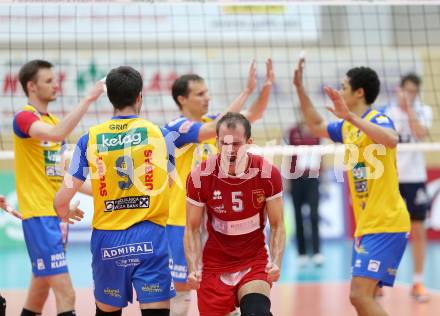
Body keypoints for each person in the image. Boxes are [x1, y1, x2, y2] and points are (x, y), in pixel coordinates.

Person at [54, 66, 176, 316]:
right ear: (140, 96)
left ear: (110, 99)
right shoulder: (162, 136)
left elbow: (62, 198)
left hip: (108, 241)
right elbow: (169, 184)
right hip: (150, 237)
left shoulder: (89, 138)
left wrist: (65, 212)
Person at [293, 58, 410, 316]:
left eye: (344, 87)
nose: (340, 90)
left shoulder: (378, 118)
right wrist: (300, 89)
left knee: (358, 295)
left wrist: (351, 118)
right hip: (367, 224)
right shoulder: (347, 126)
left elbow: (391, 139)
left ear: (359, 92)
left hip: (386, 222)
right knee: (364, 298)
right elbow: (315, 125)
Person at [164, 59, 274, 315]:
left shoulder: (211, 120)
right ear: (182, 99)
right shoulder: (176, 128)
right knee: (182, 292)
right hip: (182, 221)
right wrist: (246, 92)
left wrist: (265, 88)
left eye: (207, 92)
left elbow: (252, 116)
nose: (207, 98)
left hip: (214, 224)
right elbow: (220, 127)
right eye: (199, 94)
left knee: (222, 288)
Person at [13, 59, 103, 316]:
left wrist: (103, 192)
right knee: (67, 293)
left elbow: (65, 174)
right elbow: (53, 134)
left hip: (55, 215)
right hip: (40, 217)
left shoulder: (52, 120)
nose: (55, 85)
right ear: (32, 86)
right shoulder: (24, 118)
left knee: (38, 294)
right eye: (48, 81)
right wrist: (88, 99)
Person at [184, 112, 286, 316]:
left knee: (257, 312)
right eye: (224, 143)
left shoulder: (267, 173)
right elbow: (192, 228)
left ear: (249, 143)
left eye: (236, 144)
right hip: (214, 264)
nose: (229, 150)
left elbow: (277, 224)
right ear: (216, 142)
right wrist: (193, 267)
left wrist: (276, 262)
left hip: (253, 260)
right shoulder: (200, 176)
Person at [385, 73, 432, 302]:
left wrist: (409, 110)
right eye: (407, 91)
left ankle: (418, 282)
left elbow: (421, 133)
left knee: (418, 230)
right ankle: (378, 281)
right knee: (385, 231)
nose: (410, 95)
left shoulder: (424, 110)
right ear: (399, 89)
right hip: (392, 179)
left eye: (414, 92)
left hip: (415, 178)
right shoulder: (388, 113)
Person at [287, 121, 323, 266]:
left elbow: (322, 154)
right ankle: (301, 253)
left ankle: (316, 252)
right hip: (296, 178)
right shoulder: (292, 132)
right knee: (298, 216)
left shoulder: (317, 132)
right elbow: (287, 156)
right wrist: (287, 180)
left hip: (313, 178)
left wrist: (323, 174)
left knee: (314, 215)